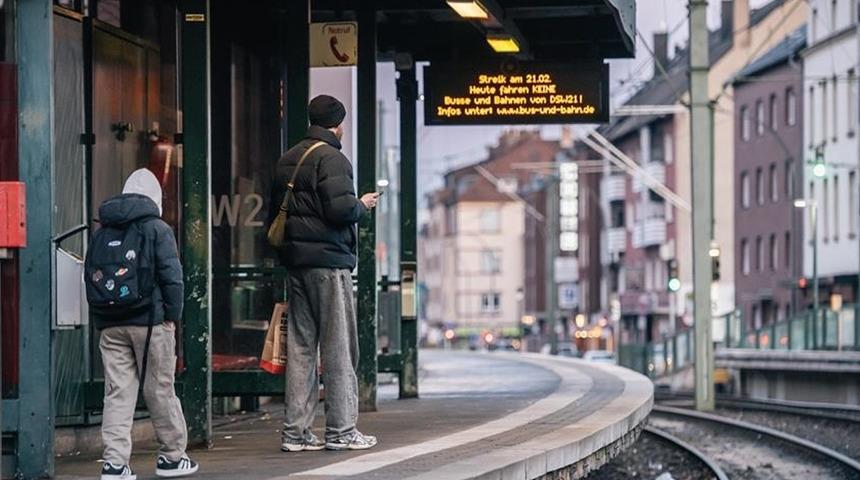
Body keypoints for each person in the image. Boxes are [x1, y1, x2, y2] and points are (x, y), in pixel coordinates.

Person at [269, 94, 380, 452]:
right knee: (339, 346)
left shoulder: (288, 158)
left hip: (297, 264)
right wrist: (361, 206)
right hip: (329, 264)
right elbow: (339, 211)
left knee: (301, 347)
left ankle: (295, 434)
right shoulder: (332, 158)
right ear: (338, 123)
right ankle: (342, 431)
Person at [90, 169, 198, 479]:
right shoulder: (157, 229)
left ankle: (114, 464)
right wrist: (172, 318)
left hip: (110, 324)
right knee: (159, 389)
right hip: (151, 322)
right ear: (156, 199)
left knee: (117, 392)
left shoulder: (102, 231)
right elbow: (172, 278)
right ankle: (172, 457)